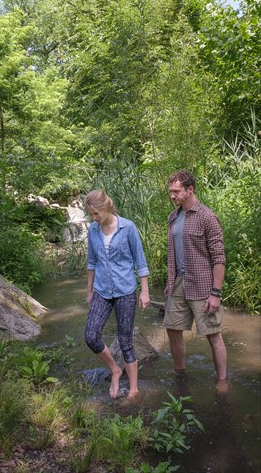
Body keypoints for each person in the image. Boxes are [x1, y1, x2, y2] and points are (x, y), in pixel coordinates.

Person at [84, 190, 150, 399]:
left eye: (96, 214)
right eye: (91, 215)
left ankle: (133, 390)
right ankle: (115, 369)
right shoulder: (93, 231)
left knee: (125, 340)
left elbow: (140, 260)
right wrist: (89, 290)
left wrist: (145, 291)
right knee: (91, 336)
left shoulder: (128, 227)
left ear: (106, 207)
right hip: (102, 291)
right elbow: (92, 262)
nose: (94, 219)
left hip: (125, 290)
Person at [163, 170, 227, 384]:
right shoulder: (173, 217)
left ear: (190, 189)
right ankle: (180, 375)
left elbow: (219, 257)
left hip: (202, 286)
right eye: (171, 191)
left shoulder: (207, 216)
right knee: (172, 330)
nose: (173, 196)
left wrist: (215, 293)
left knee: (213, 335)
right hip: (178, 283)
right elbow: (173, 253)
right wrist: (169, 282)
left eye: (177, 191)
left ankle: (222, 381)